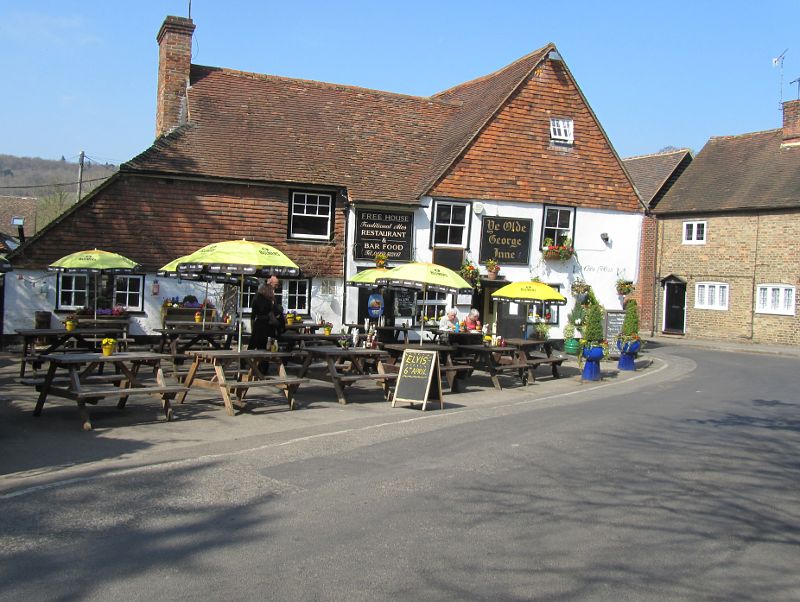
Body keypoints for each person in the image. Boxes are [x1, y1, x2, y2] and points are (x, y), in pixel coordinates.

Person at [248, 278, 278, 351]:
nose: (277, 287)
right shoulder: (264, 298)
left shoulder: (259, 296)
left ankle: (246, 361)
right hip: (263, 326)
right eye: (276, 285)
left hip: (260, 325)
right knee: (261, 348)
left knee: (255, 347)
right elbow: (255, 314)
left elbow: (253, 315)